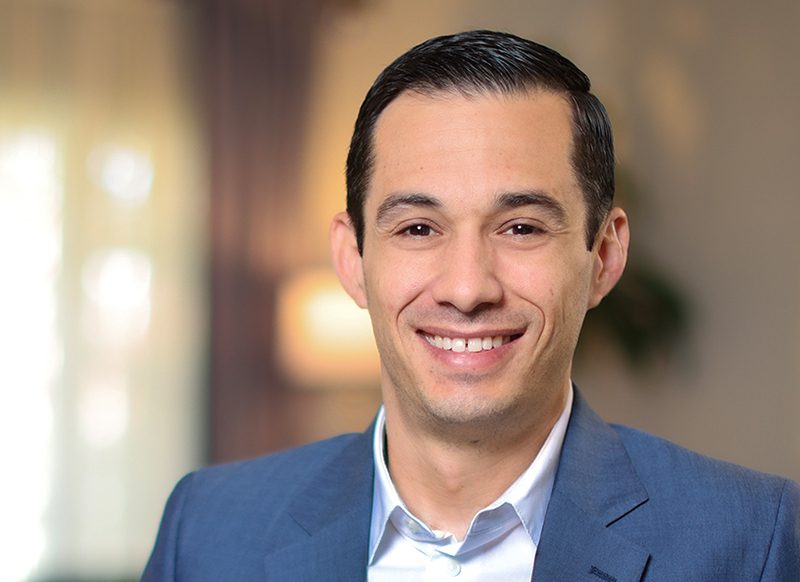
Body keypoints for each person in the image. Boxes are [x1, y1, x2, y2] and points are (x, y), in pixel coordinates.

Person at [143, 30, 799, 581]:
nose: (466, 288)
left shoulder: (752, 539)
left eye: (521, 228)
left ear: (604, 255)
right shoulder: (207, 530)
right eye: (419, 228)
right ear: (353, 259)